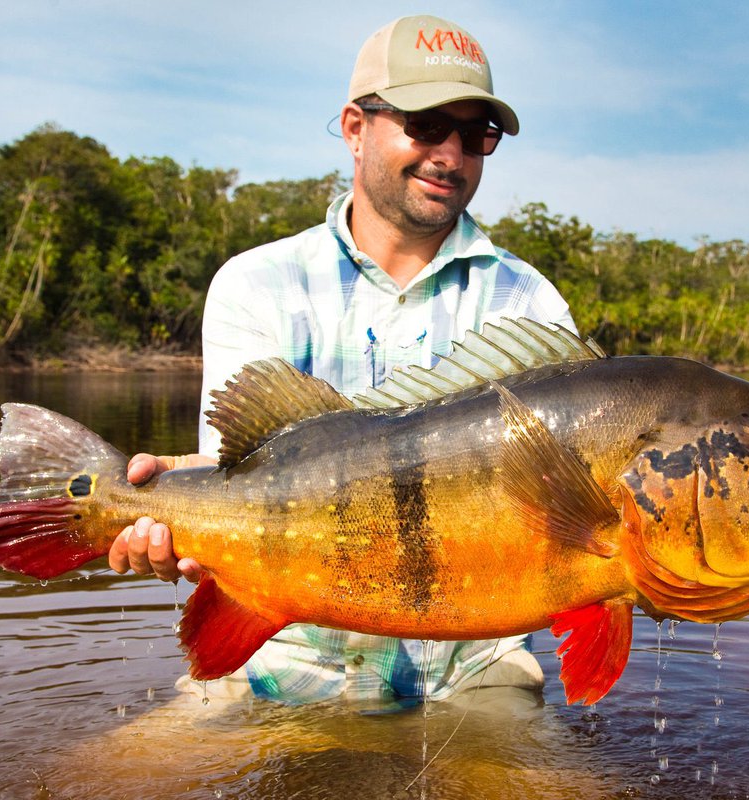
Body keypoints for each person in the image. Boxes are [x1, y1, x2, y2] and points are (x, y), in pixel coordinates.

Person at [108, 14, 576, 706]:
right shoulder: (256, 283)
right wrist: (162, 518)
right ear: (355, 128)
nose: (450, 153)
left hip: (474, 674)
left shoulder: (530, 302)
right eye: (425, 124)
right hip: (277, 656)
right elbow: (240, 475)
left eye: (476, 134)